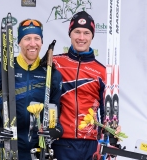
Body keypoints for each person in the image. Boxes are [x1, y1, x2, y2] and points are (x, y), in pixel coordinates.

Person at [0, 19, 63, 160]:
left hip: (39, 151)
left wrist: (56, 131)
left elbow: (56, 111)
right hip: (10, 149)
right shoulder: (1, 69)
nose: (32, 44)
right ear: (19, 42)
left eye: (37, 38)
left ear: (42, 42)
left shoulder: (52, 74)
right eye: (27, 38)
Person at [51, 11, 121, 160]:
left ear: (92, 36)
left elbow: (106, 111)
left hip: (90, 143)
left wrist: (111, 140)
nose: (81, 37)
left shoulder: (102, 72)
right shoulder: (55, 63)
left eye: (86, 33)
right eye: (77, 32)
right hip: (61, 140)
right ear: (70, 33)